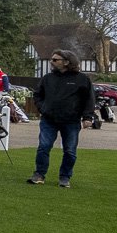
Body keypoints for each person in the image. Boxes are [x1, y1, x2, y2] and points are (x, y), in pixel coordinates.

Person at [28, 48, 95, 188]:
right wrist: (43, 108)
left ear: (66, 62)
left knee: (70, 150)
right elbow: (38, 95)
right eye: (51, 59)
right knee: (43, 147)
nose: (51, 62)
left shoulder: (82, 79)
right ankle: (39, 174)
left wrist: (87, 117)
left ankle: (65, 177)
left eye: (55, 60)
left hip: (71, 121)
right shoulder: (48, 78)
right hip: (49, 119)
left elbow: (89, 100)